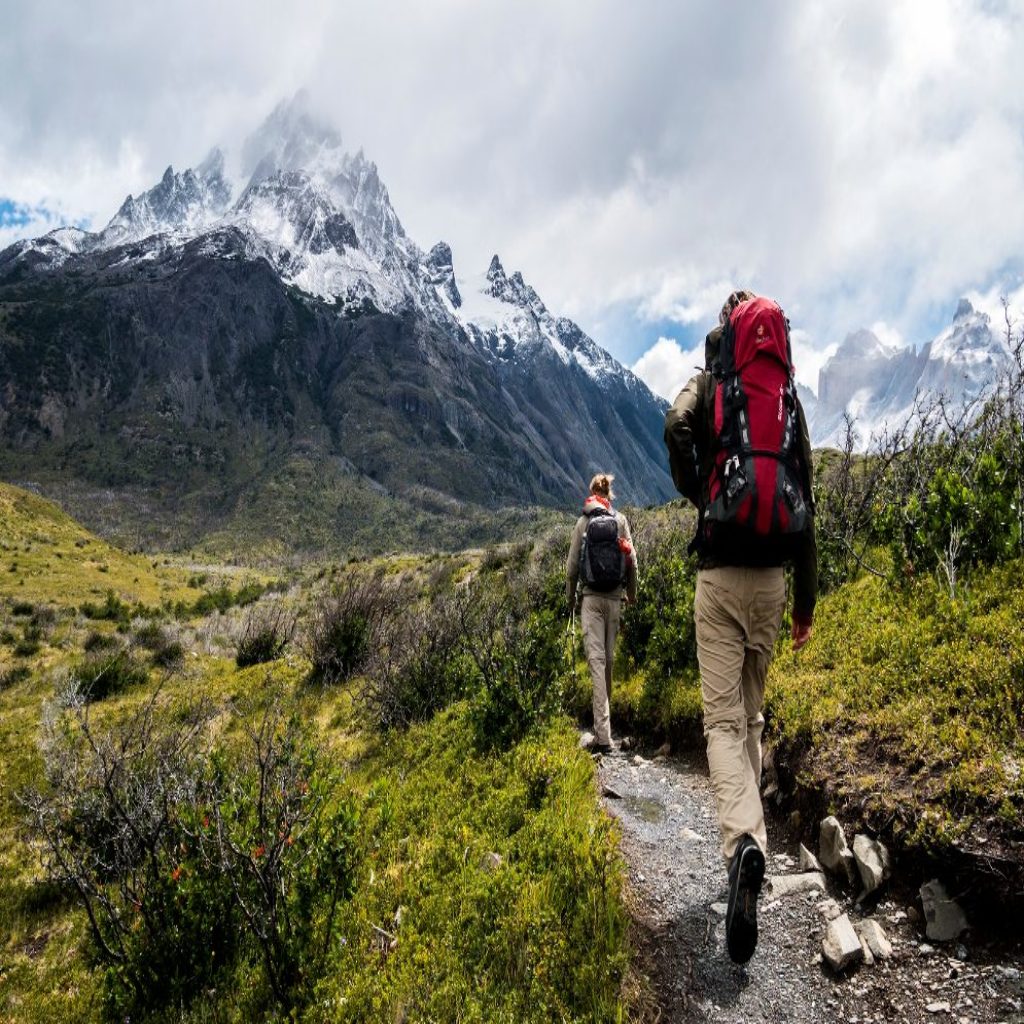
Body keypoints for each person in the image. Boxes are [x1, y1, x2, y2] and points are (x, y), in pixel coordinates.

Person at [664, 290, 817, 965]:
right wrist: (805, 606)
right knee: (751, 722)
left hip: (720, 574)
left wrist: (699, 490)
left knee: (722, 724)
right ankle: (749, 837)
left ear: (725, 332)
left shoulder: (710, 382)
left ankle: (744, 845)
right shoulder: (784, 396)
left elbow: (674, 425)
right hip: (774, 582)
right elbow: (805, 495)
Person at [565, 473, 638, 755]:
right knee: (608, 661)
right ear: (610, 494)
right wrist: (631, 594)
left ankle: (603, 736)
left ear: (592, 492)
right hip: (615, 600)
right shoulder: (619, 521)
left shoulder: (582, 522)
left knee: (596, 662)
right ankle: (605, 728)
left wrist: (571, 600)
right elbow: (632, 560)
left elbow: (572, 568)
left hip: (591, 600)